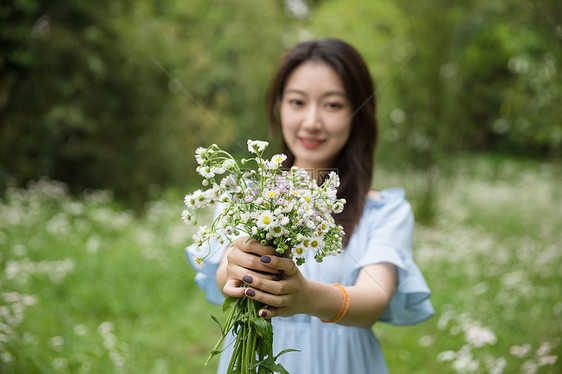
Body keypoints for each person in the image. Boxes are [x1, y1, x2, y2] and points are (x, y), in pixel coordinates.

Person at [187, 38, 434, 374]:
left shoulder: (384, 211)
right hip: (248, 360)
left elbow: (373, 301)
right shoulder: (247, 195)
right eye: (297, 102)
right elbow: (223, 273)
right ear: (279, 107)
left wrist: (306, 298)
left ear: (358, 113)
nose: (312, 121)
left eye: (332, 105)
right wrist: (234, 270)